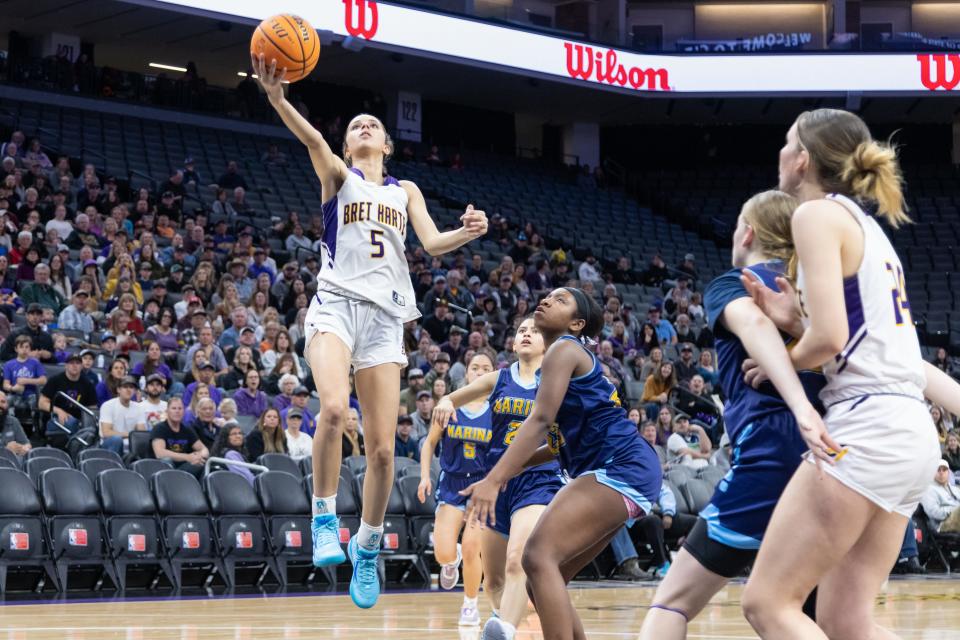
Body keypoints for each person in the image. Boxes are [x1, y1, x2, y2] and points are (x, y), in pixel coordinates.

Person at [251, 53, 488, 610]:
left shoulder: (405, 192)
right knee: (333, 409)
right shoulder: (339, 175)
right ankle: (324, 517)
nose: (364, 128)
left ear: (387, 145)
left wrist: (467, 232)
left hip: (385, 320)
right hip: (335, 306)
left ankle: (367, 545)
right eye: (356, 124)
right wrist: (280, 100)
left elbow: (430, 244)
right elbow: (313, 142)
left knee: (383, 452)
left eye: (373, 126)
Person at [739, 109, 959, 640]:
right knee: (845, 620)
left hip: (867, 426)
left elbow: (831, 341)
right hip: (909, 433)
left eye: (787, 142)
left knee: (768, 604)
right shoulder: (869, 232)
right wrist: (797, 321)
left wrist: (780, 359)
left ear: (803, 159)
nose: (781, 152)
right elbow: (871, 346)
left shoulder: (813, 216)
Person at [639, 190, 827, 640]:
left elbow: (756, 325)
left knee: (672, 602)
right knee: (814, 615)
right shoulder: (820, 296)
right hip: (833, 456)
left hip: (773, 449)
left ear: (748, 231)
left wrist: (795, 398)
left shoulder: (737, 282)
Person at [461, 289, 662, 640]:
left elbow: (538, 420)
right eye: (549, 296)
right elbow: (556, 443)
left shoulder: (565, 348)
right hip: (626, 469)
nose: (548, 300)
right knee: (543, 580)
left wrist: (495, 478)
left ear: (576, 323)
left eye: (561, 300)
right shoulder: (557, 363)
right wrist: (516, 469)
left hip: (621, 465)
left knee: (536, 556)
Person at [432, 318, 562, 638]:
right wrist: (446, 401)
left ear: (546, 344)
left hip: (538, 480)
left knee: (518, 559)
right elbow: (455, 397)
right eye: (521, 331)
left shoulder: (556, 382)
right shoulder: (500, 378)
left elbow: (563, 441)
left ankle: (505, 628)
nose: (527, 334)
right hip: (496, 482)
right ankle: (503, 622)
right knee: (494, 582)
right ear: (514, 345)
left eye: (535, 330)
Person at [418, 353, 494, 626]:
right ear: (466, 373)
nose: (480, 372)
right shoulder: (448, 405)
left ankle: (470, 604)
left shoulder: (498, 409)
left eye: (487, 368)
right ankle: (452, 562)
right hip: (452, 483)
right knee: (443, 553)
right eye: (476, 367)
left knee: (474, 546)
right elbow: (428, 444)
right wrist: (425, 476)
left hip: (483, 487)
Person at [39, 352, 97, 439]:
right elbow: (41, 403)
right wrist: (59, 411)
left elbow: (92, 407)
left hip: (79, 420)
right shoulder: (55, 380)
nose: (75, 366)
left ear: (81, 366)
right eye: (71, 363)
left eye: (78, 363)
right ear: (66, 365)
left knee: (92, 429)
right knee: (72, 423)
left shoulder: (87, 384)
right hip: (55, 419)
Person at [151, 397, 207, 479]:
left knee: (201, 463)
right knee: (167, 461)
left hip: (183, 468)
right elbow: (160, 453)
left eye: (180, 408)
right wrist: (187, 457)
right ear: (167, 411)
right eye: (174, 408)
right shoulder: (159, 428)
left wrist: (199, 456)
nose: (177, 411)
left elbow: (204, 449)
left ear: (183, 412)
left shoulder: (187, 429)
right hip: (162, 471)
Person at [99, 376, 147, 454]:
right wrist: (130, 434)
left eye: (131, 387)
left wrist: (133, 436)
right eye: (125, 387)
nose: (128, 390)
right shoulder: (108, 405)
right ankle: (112, 465)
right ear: (118, 389)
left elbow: (141, 433)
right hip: (109, 444)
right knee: (116, 440)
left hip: (131, 444)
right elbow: (106, 433)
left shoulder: (139, 407)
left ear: (134, 391)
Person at [3, 335, 46, 415]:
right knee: (6, 401)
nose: (24, 349)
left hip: (31, 394)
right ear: (16, 349)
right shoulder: (8, 364)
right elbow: (5, 385)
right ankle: (9, 422)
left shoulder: (35, 363)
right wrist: (13, 388)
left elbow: (43, 380)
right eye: (21, 347)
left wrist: (27, 381)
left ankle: (36, 425)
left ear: (30, 349)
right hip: (14, 394)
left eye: (27, 347)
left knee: (37, 401)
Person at [920, 460, 960, 533]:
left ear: (948, 473)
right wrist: (954, 510)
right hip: (942, 525)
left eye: (944, 470)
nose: (941, 472)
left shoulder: (954, 488)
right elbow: (933, 512)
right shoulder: (928, 490)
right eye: (938, 470)